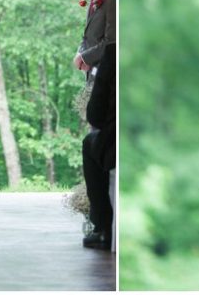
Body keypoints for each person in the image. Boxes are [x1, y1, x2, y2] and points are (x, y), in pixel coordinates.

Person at [82, 41, 115, 250]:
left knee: (90, 144)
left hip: (114, 142)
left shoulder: (112, 53)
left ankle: (102, 226)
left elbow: (94, 115)